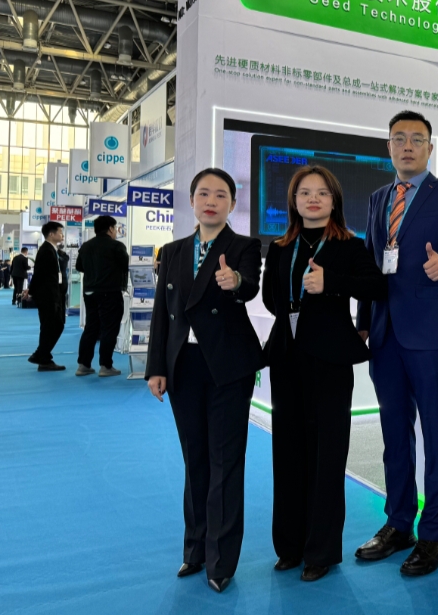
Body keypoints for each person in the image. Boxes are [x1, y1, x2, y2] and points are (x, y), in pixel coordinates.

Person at [355, 110, 438, 577]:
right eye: (399, 138)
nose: (408, 146)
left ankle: (434, 535)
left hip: (431, 334)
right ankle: (399, 523)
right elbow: (371, 263)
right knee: (393, 433)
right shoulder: (378, 198)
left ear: (430, 147)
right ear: (389, 147)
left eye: (417, 139)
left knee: (436, 434)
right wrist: (363, 322)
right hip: (384, 333)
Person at [262, 166, 387, 582]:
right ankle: (290, 546)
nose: (312, 199)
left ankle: (321, 551)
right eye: (304, 193)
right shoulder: (280, 247)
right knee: (288, 452)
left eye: (321, 193)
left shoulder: (350, 244)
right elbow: (271, 299)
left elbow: (376, 287)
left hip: (330, 360)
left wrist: (330, 282)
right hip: (286, 358)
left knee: (327, 456)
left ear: (334, 201)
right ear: (293, 201)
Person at [145, 168, 265, 594]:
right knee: (194, 458)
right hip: (183, 365)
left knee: (225, 462)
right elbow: (162, 313)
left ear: (232, 203)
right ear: (192, 201)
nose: (211, 201)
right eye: (203, 194)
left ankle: (221, 560)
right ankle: (194, 550)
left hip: (228, 367)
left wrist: (235, 283)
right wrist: (156, 366)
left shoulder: (244, 246)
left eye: (220, 195)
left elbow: (249, 287)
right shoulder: (173, 251)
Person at [75, 215, 130, 378]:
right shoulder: (116, 246)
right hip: (110, 292)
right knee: (109, 328)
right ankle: (106, 365)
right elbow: (126, 265)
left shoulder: (86, 246)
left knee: (91, 327)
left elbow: (79, 266)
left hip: (89, 292)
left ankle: (83, 364)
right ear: (111, 229)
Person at [23, 225, 66, 371]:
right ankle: (42, 357)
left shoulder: (53, 250)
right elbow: (39, 274)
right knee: (52, 326)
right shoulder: (46, 250)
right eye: (60, 232)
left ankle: (42, 356)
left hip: (54, 293)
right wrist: (31, 291)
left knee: (55, 325)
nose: (62, 235)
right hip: (48, 295)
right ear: (52, 234)